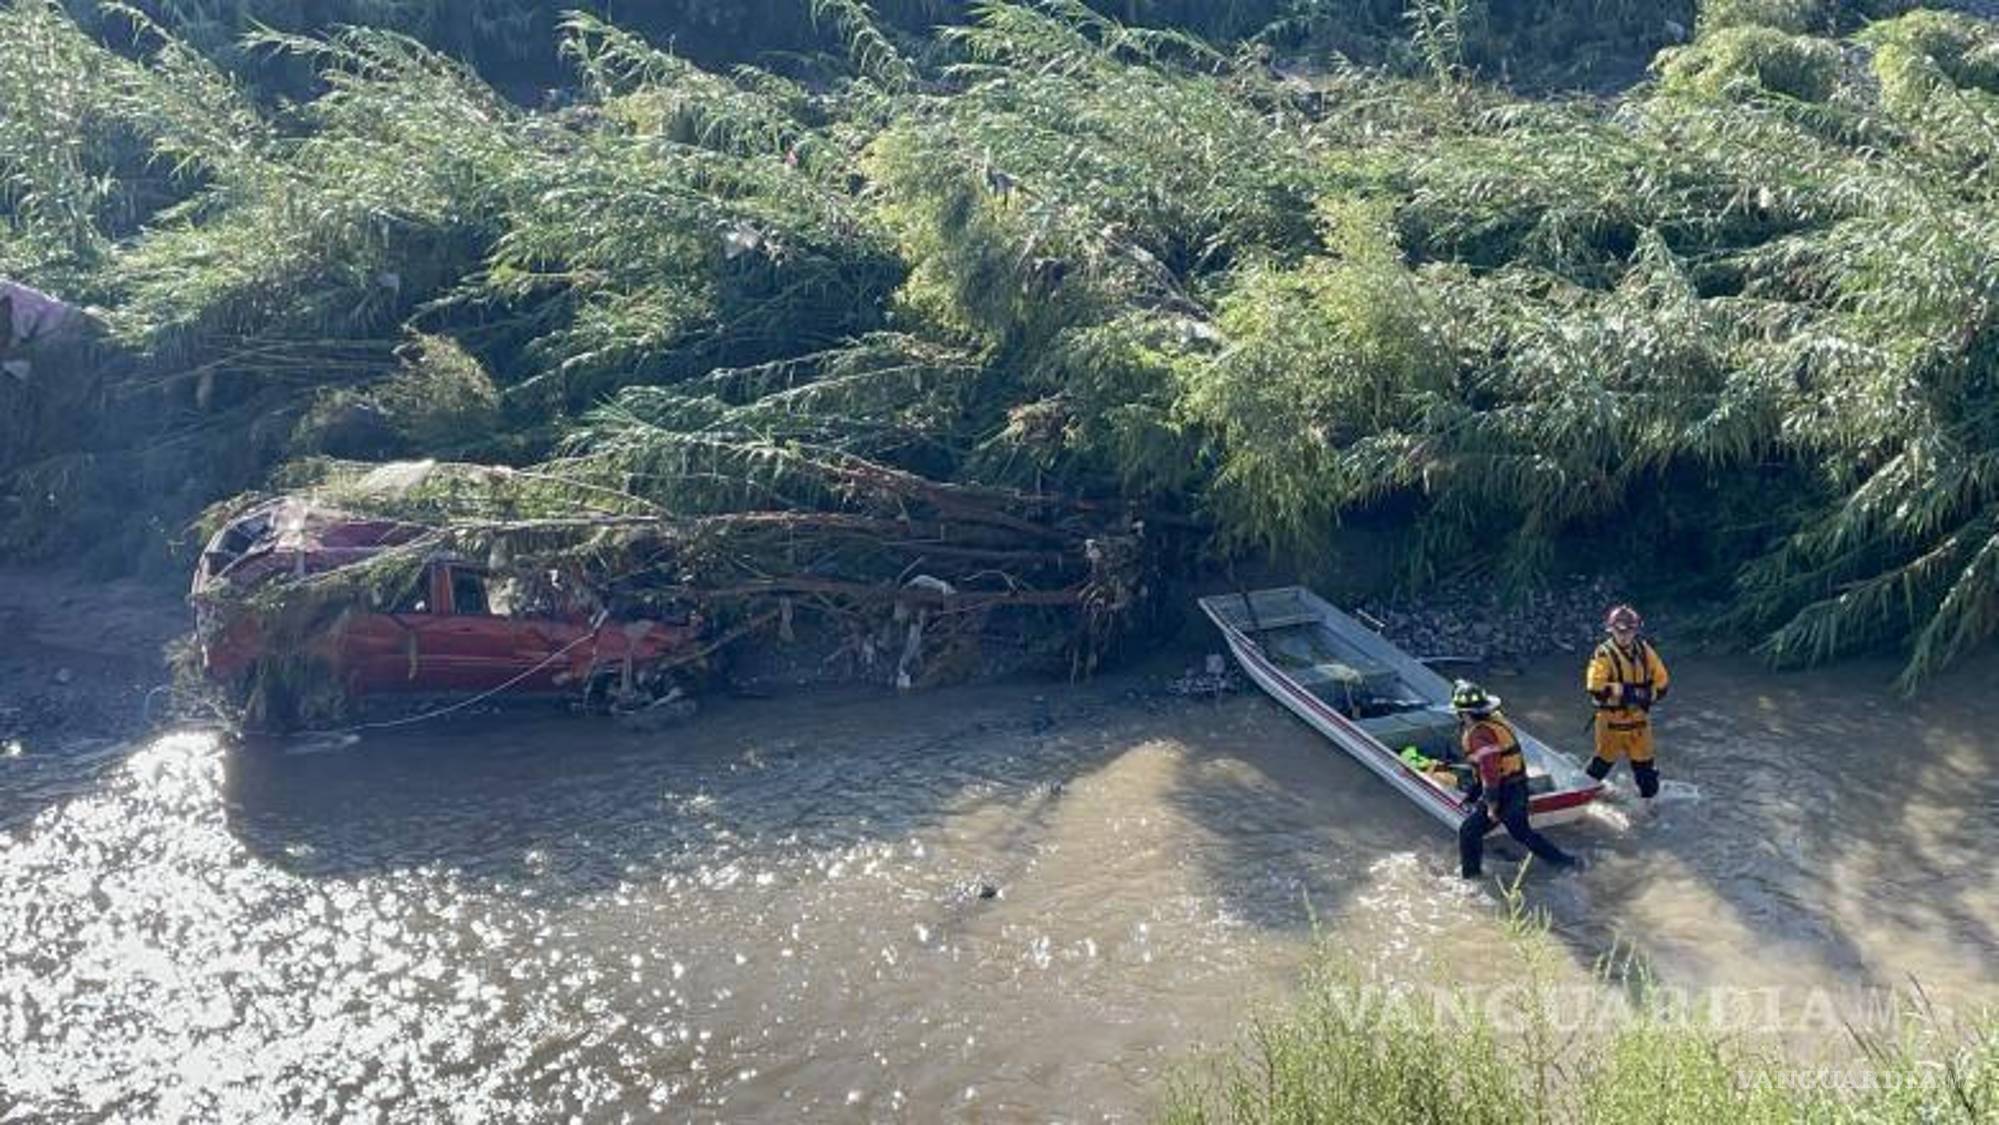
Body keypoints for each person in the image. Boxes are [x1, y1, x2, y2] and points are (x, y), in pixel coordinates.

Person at [1452, 679, 1580, 879]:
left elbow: (1490, 770)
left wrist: (1492, 804)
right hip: (1518, 786)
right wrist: (1473, 794)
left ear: (1464, 713)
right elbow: (1494, 765)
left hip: (1504, 791)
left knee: (1469, 832)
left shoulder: (1480, 735)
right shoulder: (1495, 720)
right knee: (1520, 831)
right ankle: (1565, 862)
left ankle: (1472, 878)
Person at [1585, 604, 1671, 815]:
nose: (1624, 636)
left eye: (1628, 631)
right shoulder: (1603, 654)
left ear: (1636, 630)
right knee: (1601, 764)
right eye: (1619, 631)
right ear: (1611, 630)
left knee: (1646, 771)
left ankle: (1650, 807)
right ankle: (1581, 797)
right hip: (1611, 723)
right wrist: (1634, 693)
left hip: (1639, 722)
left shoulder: (1644, 651)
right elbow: (1595, 688)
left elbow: (1662, 684)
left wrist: (1639, 694)